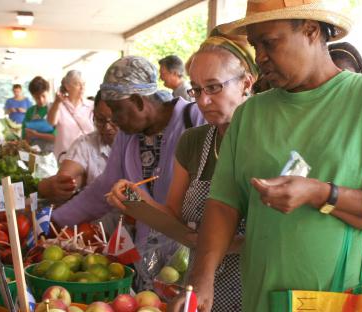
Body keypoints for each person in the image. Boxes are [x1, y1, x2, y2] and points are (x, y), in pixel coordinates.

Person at [181, 1, 362, 311]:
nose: (260, 57)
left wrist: (321, 194)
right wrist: (202, 279)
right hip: (265, 300)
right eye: (255, 45)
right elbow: (223, 204)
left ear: (311, 30)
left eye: (269, 42)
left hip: (353, 301)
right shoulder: (249, 115)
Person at [107, 27, 258, 311]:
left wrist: (211, 243)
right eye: (197, 89)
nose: (202, 101)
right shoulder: (194, 142)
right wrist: (135, 201)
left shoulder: (268, 142)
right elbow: (172, 218)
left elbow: (277, 234)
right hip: (196, 293)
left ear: (246, 83)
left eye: (214, 87)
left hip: (252, 289)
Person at [52, 55, 205, 289]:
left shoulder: (194, 120)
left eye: (117, 110)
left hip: (192, 259)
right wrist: (56, 220)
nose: (113, 120)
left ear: (139, 101)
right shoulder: (128, 136)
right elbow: (107, 190)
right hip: (148, 260)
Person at [38, 91, 118, 204]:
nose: (107, 127)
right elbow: (64, 183)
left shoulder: (141, 145)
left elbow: (138, 203)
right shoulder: (85, 145)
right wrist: (47, 186)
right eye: (100, 120)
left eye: (114, 120)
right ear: (93, 115)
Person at [47, 70, 95, 160]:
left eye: (83, 84)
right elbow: (51, 122)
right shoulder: (57, 105)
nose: (82, 87)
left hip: (87, 156)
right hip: (64, 156)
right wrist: (57, 102)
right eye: (77, 84)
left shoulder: (91, 106)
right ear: (67, 86)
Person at [22, 76, 56, 153]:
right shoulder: (30, 112)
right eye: (37, 97)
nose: (41, 100)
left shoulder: (55, 110)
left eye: (43, 96)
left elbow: (57, 138)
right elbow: (25, 138)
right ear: (32, 96)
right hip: (34, 153)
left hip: (51, 154)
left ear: (48, 92)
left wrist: (36, 134)